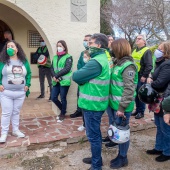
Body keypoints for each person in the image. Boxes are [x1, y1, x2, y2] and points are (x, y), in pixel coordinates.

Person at [73, 33, 110, 170]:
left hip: (92, 105)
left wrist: (82, 78)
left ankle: (96, 166)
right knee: (95, 134)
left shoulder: (96, 62)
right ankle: (97, 159)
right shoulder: (104, 58)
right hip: (96, 103)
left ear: (99, 45)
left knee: (93, 136)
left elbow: (76, 76)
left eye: (91, 43)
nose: (88, 45)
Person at [108, 39, 138, 169]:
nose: (111, 51)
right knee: (117, 132)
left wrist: (122, 108)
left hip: (122, 107)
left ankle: (123, 157)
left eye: (112, 48)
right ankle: (120, 154)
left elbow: (129, 89)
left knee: (122, 133)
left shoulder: (128, 66)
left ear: (119, 49)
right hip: (113, 104)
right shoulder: (117, 63)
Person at [0, 40, 31, 143]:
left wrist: (27, 85)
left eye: (12, 46)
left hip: (20, 93)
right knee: (6, 113)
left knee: (16, 112)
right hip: (6, 93)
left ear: (17, 49)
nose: (9, 48)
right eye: (8, 46)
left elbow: (29, 74)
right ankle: (4, 133)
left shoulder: (24, 61)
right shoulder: (3, 61)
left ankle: (15, 130)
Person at [146, 41, 170, 162]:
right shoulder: (160, 63)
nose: (158, 51)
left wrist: (150, 82)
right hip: (158, 99)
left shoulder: (167, 64)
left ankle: (167, 151)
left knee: (165, 127)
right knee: (159, 125)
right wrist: (150, 77)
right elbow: (152, 74)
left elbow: (160, 82)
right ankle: (159, 147)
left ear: (166, 52)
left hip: (164, 99)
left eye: (160, 49)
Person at [70, 34, 92, 118]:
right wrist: (81, 73)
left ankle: (85, 112)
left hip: (89, 79)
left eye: (86, 40)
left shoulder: (93, 53)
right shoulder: (83, 53)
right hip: (82, 77)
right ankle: (79, 110)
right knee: (79, 94)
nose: (84, 42)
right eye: (84, 40)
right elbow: (79, 63)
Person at [51, 40, 73, 123]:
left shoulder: (68, 57)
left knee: (63, 98)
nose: (58, 47)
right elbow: (51, 68)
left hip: (64, 81)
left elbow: (67, 69)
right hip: (56, 81)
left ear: (64, 47)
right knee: (53, 97)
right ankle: (63, 110)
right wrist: (54, 76)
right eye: (57, 46)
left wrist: (56, 76)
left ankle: (62, 114)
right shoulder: (55, 57)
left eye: (60, 46)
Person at [131, 34, 152, 119]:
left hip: (141, 76)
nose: (137, 40)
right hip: (135, 75)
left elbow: (149, 65)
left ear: (144, 41)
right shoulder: (135, 50)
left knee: (141, 94)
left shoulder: (147, 51)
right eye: (136, 38)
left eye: (139, 39)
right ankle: (137, 109)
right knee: (136, 94)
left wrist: (144, 75)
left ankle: (141, 112)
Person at [77, 50, 91, 132]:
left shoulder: (92, 66)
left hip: (89, 90)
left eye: (85, 57)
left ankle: (88, 126)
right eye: (83, 57)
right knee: (83, 108)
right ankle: (84, 124)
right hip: (82, 89)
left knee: (88, 110)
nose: (84, 59)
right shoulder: (83, 65)